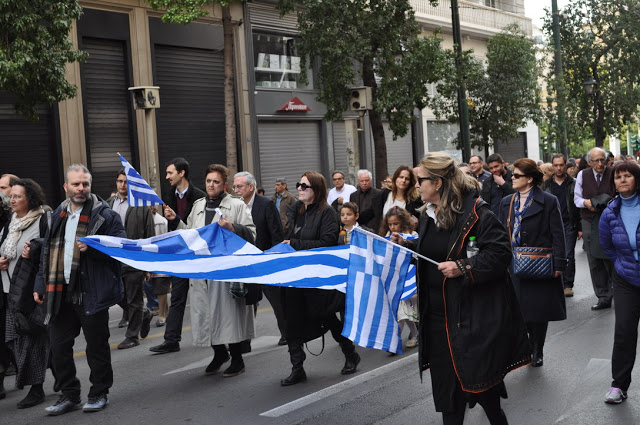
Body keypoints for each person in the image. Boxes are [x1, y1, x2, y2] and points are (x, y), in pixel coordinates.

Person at [392, 152, 530, 425]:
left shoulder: (478, 213)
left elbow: (500, 255)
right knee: (449, 399)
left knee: (483, 390)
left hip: (470, 319)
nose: (415, 185)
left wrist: (463, 267)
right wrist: (406, 247)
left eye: (420, 180)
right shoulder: (428, 215)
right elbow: (432, 254)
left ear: (438, 182)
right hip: (437, 321)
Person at [34, 164, 126, 415]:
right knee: (58, 346)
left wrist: (95, 249)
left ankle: (99, 393)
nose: (81, 188)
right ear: (66, 187)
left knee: (96, 346)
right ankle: (69, 394)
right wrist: (41, 284)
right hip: (59, 292)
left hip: (91, 291)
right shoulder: (56, 215)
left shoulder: (106, 216)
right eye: (76, 184)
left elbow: (120, 249)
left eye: (85, 184)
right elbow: (47, 252)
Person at [165, 164, 256, 377]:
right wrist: (175, 221)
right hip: (201, 272)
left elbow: (252, 234)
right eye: (208, 181)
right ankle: (219, 353)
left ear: (224, 184)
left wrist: (233, 228)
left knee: (228, 318)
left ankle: (237, 359)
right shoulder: (197, 206)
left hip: (224, 271)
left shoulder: (236, 205)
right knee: (205, 317)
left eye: (216, 181)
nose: (211, 185)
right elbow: (189, 235)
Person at [280, 171, 360, 386]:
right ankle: (297, 368)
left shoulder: (327, 213)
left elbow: (327, 242)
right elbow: (288, 237)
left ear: (316, 189)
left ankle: (350, 354)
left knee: (327, 318)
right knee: (292, 321)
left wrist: (295, 245)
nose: (299, 188)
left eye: (304, 186)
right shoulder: (296, 210)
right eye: (298, 184)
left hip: (318, 277)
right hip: (295, 276)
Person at [498, 158, 567, 368]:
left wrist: (559, 264)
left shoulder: (548, 200)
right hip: (514, 263)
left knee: (538, 310)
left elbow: (558, 234)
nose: (512, 178)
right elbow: (501, 232)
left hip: (540, 262)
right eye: (512, 174)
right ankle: (526, 346)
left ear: (529, 179)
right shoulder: (507, 201)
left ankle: (537, 349)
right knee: (519, 308)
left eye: (517, 175)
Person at [0, 179, 50, 408]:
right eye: (11, 196)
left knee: (31, 342)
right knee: (16, 341)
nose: (12, 200)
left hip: (30, 293)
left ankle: (36, 389)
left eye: (17, 196)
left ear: (30, 198)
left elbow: (49, 253)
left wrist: (35, 251)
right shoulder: (10, 223)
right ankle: (61, 375)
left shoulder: (41, 220)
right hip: (10, 293)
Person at [150, 157, 206, 354]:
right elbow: (171, 226)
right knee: (178, 298)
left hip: (199, 256)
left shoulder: (200, 197)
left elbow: (198, 227)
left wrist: (178, 220)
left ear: (181, 173)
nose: (166, 177)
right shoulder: (168, 195)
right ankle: (171, 340)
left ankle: (221, 339)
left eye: (170, 173)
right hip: (179, 255)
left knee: (207, 298)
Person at [599, 161, 640, 404]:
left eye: (627, 176)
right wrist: (623, 264)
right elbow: (607, 246)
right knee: (624, 333)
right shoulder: (610, 211)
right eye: (618, 177)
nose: (622, 180)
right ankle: (619, 386)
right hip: (626, 280)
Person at [233, 171, 286, 346]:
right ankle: (245, 340)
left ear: (251, 187)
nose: (236, 190)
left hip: (266, 259)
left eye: (239, 186)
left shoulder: (266, 204)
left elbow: (276, 233)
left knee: (277, 300)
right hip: (245, 261)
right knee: (248, 302)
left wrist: (273, 258)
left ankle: (286, 333)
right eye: (234, 187)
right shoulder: (235, 206)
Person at [106, 169, 154, 349]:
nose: (122, 185)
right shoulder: (108, 203)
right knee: (116, 296)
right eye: (119, 181)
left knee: (134, 299)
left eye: (125, 182)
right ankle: (145, 314)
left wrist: (148, 265)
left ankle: (132, 336)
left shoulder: (141, 206)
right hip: (112, 260)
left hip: (134, 260)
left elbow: (149, 235)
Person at [574, 147, 616, 310]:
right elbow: (576, 198)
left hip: (610, 218)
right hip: (589, 219)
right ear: (589, 162)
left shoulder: (613, 172)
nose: (600, 163)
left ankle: (618, 292)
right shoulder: (582, 175)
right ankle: (603, 296)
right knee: (594, 259)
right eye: (596, 160)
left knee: (611, 256)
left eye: (602, 160)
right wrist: (587, 203)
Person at [379, 206, 418, 349]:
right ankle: (410, 335)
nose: (393, 227)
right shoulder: (388, 238)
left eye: (396, 223)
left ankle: (398, 338)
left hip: (409, 278)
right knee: (401, 310)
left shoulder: (411, 235)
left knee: (406, 309)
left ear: (403, 222)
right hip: (397, 279)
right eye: (390, 224)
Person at [543, 154, 582, 297]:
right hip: (551, 224)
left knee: (568, 255)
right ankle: (556, 282)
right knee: (553, 253)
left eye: (561, 165)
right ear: (552, 166)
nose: (558, 168)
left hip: (568, 223)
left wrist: (579, 228)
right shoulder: (546, 185)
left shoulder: (574, 183)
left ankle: (567, 284)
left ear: (566, 165)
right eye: (556, 165)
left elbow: (577, 206)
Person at [358, 165, 422, 232]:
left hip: (405, 239)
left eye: (407, 179)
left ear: (410, 182)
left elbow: (420, 221)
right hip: (383, 237)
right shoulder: (382, 195)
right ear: (395, 178)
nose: (403, 180)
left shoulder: (415, 200)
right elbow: (367, 214)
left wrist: (416, 224)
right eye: (401, 177)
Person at [149, 206, 170, 327]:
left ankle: (162, 314)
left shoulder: (160, 221)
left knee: (161, 287)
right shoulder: (144, 219)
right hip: (150, 258)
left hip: (160, 258)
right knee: (156, 287)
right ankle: (165, 311)